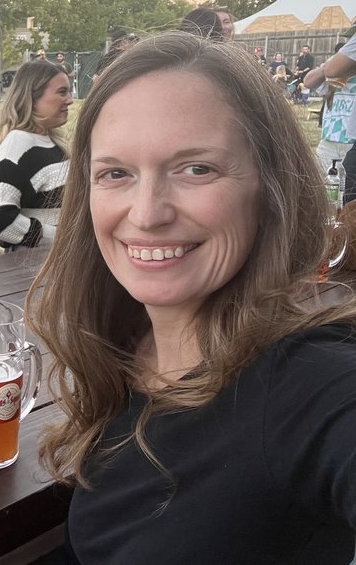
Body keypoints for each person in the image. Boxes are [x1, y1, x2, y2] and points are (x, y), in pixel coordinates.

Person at [29, 31, 356, 564]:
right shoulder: (124, 344)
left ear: (270, 187)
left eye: (196, 168)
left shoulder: (309, 379)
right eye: (116, 173)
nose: (146, 213)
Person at [0, 60, 72, 250]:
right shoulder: (18, 144)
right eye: (62, 92)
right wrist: (57, 238)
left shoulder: (50, 141)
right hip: (38, 265)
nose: (70, 100)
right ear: (32, 97)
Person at [305, 42, 355, 179]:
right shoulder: (331, 74)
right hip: (329, 141)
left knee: (347, 187)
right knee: (321, 184)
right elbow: (308, 82)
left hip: (351, 143)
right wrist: (326, 69)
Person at [319, 30, 356, 203]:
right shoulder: (332, 85)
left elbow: (332, 69)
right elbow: (312, 80)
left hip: (347, 142)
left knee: (347, 199)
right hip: (331, 141)